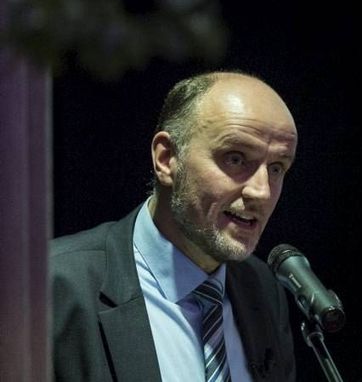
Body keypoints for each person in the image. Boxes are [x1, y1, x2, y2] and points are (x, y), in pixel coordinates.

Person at [51, 70, 299, 381]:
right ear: (167, 159)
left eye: (277, 168)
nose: (261, 192)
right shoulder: (52, 286)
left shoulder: (263, 289)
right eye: (236, 158)